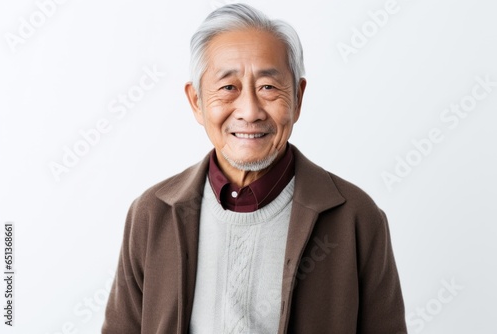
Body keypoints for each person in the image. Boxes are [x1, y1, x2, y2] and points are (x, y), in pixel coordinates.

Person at [102, 3, 407, 333]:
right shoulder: (153, 213)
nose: (249, 111)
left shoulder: (355, 217)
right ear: (196, 101)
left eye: (268, 87)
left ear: (298, 98)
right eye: (228, 87)